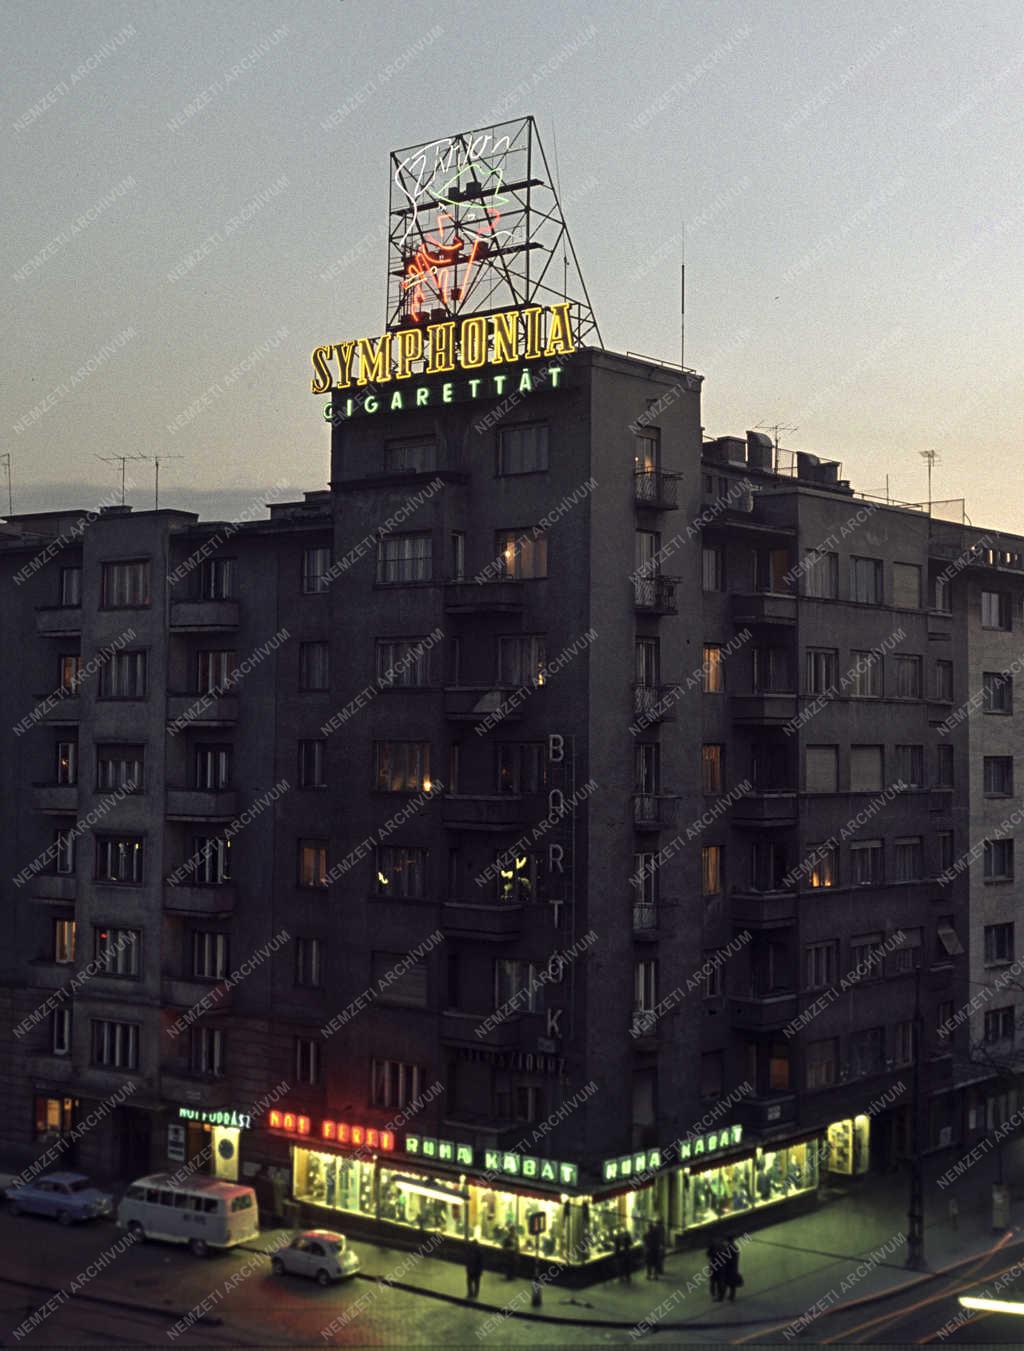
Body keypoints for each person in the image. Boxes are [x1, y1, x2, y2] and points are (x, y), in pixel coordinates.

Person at [721, 1234, 741, 1302]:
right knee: (731, 1282)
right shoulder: (734, 1247)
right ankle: (731, 1296)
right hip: (733, 1267)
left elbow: (726, 1258)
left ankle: (728, 1296)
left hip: (729, 1267)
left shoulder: (729, 1248)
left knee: (728, 1281)